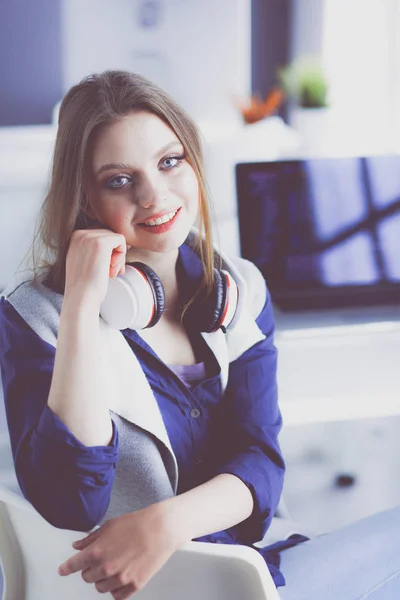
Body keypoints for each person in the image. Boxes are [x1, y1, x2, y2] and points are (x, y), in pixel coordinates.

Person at [0, 71, 400, 600]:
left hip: (253, 571)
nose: (154, 195)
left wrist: (163, 524)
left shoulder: (239, 289)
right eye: (119, 180)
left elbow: (261, 462)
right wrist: (80, 310)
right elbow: (71, 504)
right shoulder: (37, 316)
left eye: (170, 161)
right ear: (85, 198)